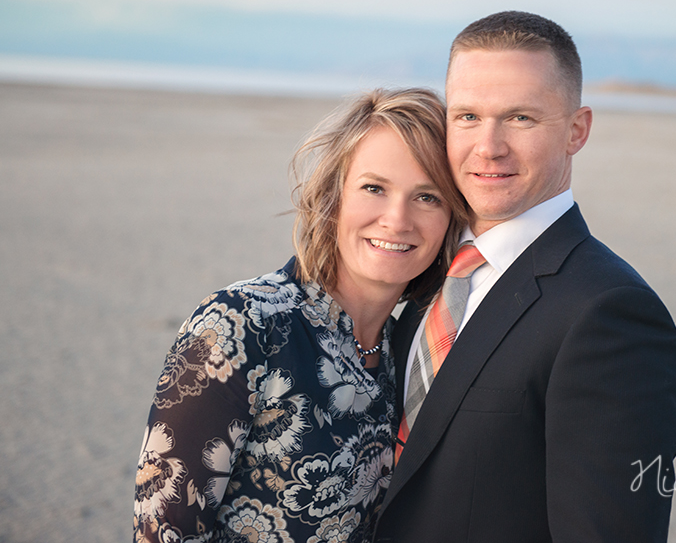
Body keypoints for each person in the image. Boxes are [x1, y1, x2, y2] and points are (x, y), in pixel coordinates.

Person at [374, 12, 676, 542]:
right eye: (468, 116)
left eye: (520, 118)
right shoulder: (423, 271)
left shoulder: (611, 314)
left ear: (576, 130)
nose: (488, 146)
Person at [133, 88, 467, 543]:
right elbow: (162, 532)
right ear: (335, 197)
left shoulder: (409, 351)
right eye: (374, 188)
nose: (397, 219)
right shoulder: (241, 323)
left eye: (427, 197)